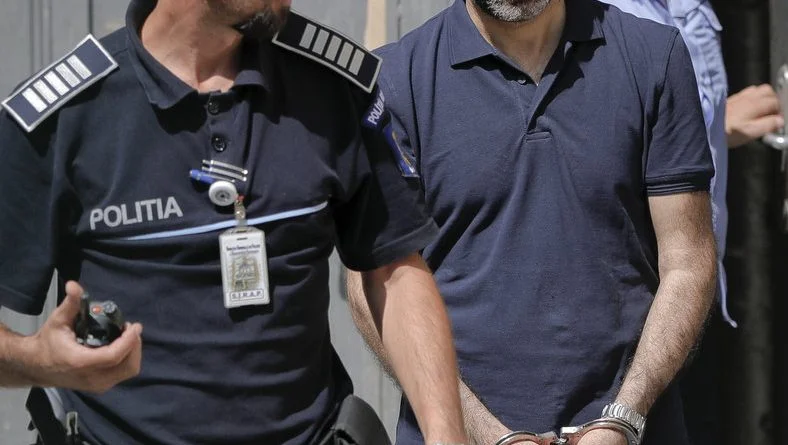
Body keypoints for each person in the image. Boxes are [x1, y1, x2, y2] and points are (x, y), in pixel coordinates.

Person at [0, 1, 469, 444]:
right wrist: (35, 360)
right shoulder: (61, 116)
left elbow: (395, 270)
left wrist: (445, 433)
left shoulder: (330, 85)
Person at [347, 0, 718, 444]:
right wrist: (487, 434)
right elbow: (375, 285)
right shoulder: (394, 79)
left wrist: (623, 418)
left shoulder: (652, 55)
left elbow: (687, 260)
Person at [595, 2, 783, 444]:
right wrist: (703, 125)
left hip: (695, 294)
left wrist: (710, 128)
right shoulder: (593, 15)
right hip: (631, 308)